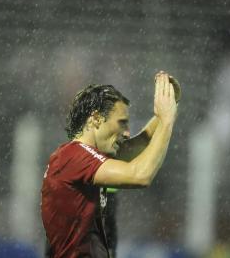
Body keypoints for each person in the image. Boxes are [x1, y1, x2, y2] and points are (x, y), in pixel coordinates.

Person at [41, 71, 180, 258]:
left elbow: (136, 147)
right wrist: (166, 120)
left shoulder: (82, 156)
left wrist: (168, 106)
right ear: (96, 119)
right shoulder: (73, 156)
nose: (127, 133)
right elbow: (140, 175)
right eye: (122, 123)